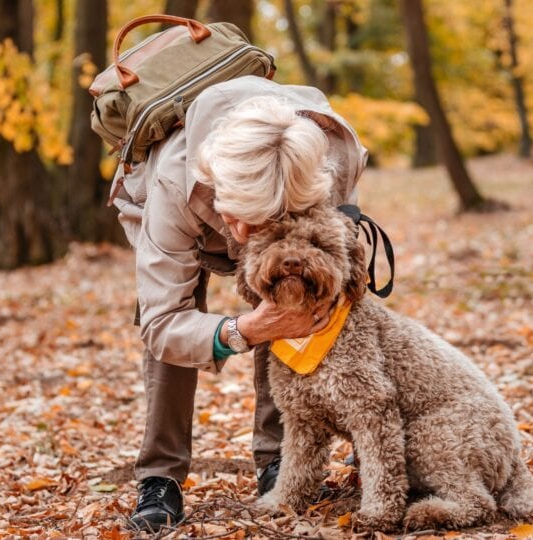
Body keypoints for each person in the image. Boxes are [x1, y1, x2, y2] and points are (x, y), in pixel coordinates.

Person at [111, 75, 367, 530]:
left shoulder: (334, 159)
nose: (245, 237)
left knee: (292, 300)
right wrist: (242, 331)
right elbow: (163, 322)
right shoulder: (175, 183)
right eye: (238, 219)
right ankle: (159, 476)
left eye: (262, 222)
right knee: (176, 325)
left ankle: (278, 461)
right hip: (181, 211)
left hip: (275, 195)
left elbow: (342, 260)